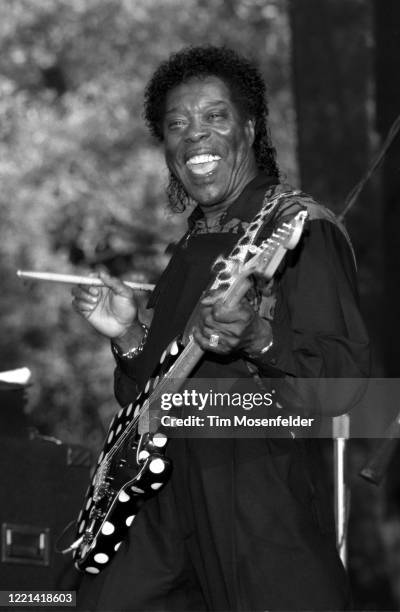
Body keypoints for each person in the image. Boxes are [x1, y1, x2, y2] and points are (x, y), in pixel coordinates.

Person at [72, 46, 370, 611]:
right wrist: (130, 335)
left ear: (250, 127)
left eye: (215, 117)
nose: (194, 137)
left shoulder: (299, 230)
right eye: (177, 124)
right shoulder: (191, 246)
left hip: (254, 492)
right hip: (157, 496)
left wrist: (258, 339)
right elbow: (151, 395)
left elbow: (344, 384)